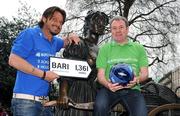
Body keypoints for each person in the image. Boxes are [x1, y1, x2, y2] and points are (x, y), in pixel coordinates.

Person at [8, 6, 80, 116]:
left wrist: (72, 35)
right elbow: (13, 60)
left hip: (45, 103)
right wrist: (44, 74)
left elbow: (66, 41)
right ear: (44, 19)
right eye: (54, 19)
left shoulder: (54, 42)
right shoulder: (30, 34)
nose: (58, 24)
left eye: (61, 22)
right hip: (25, 102)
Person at [93, 16, 149, 116]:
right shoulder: (104, 49)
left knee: (141, 113)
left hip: (133, 90)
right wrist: (108, 85)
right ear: (111, 31)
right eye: (114, 28)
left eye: (121, 27)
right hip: (109, 89)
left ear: (127, 29)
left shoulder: (139, 48)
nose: (118, 31)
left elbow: (145, 74)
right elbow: (100, 75)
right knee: (99, 106)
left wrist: (136, 80)